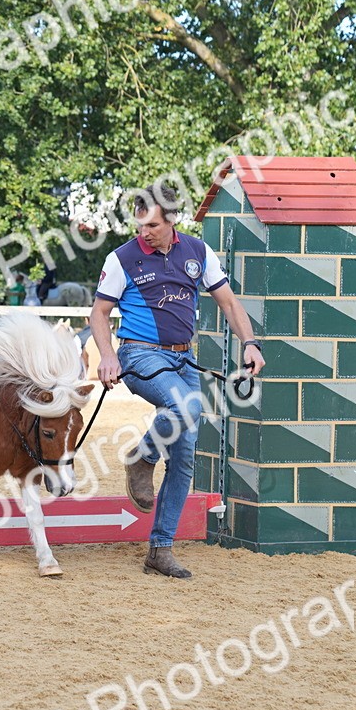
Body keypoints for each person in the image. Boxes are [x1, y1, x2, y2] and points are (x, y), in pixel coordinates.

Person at [89, 184, 265, 580]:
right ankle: (143, 457)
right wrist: (107, 355)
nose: (143, 231)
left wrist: (250, 344)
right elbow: (99, 313)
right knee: (188, 407)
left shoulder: (199, 253)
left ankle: (160, 550)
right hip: (138, 354)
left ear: (173, 220)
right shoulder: (122, 258)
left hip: (184, 357)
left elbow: (229, 303)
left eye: (152, 224)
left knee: (185, 459)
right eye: (139, 224)